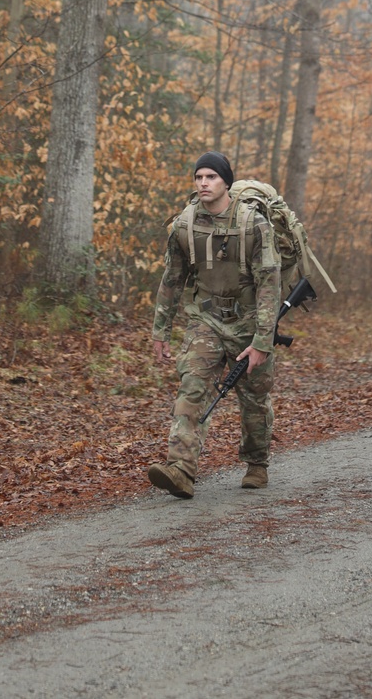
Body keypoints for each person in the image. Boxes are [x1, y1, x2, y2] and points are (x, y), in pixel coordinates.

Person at [148, 151, 281, 499]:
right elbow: (172, 279)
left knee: (254, 399)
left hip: (249, 324)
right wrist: (160, 331)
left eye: (211, 177)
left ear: (226, 182)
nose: (203, 183)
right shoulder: (184, 224)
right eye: (198, 177)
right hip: (205, 321)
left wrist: (263, 340)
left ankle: (256, 463)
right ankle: (180, 470)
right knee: (191, 388)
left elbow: (269, 283)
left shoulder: (253, 224)